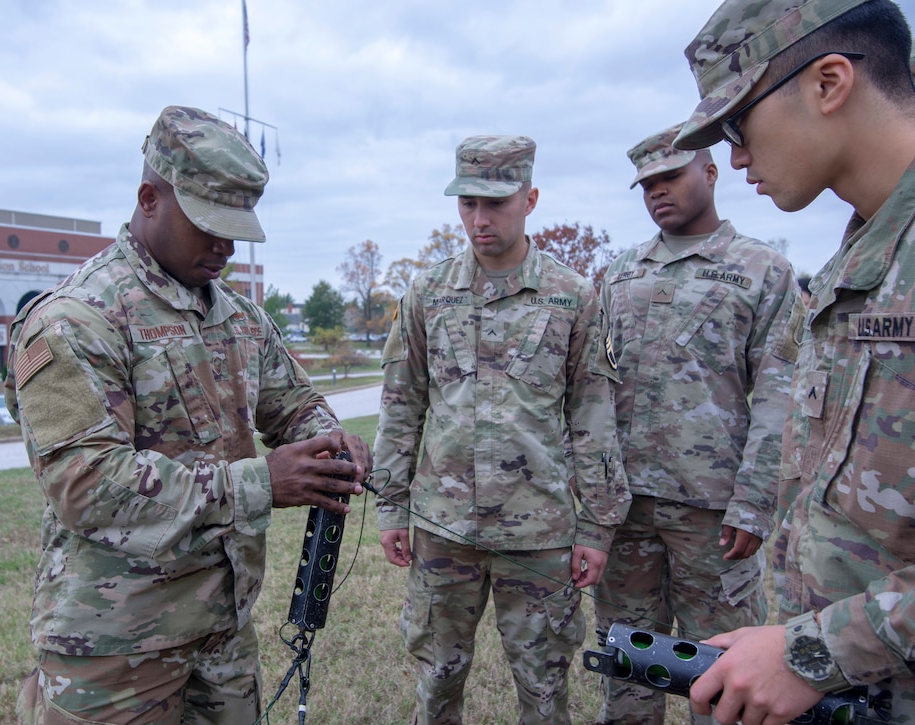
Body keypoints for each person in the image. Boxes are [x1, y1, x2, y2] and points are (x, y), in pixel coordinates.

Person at [5, 106, 371, 725]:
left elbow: (295, 403)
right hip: (117, 646)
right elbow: (87, 483)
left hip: (224, 629)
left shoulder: (237, 316)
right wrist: (262, 480)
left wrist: (328, 443)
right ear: (150, 198)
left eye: (237, 227)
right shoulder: (78, 319)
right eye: (209, 225)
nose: (226, 246)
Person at [672, 1, 915, 722]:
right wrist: (790, 641)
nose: (735, 157)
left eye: (738, 126)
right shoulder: (855, 261)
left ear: (830, 82)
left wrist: (814, 649)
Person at [373, 134, 629, 725]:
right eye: (468, 204)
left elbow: (592, 417)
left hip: (538, 532)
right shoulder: (427, 293)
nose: (479, 219)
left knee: (543, 689)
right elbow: (402, 405)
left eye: (496, 203)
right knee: (437, 681)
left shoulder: (572, 297)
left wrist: (597, 524)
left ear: (530, 198)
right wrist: (391, 507)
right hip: (443, 527)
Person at [593, 122, 801, 725]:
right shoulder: (621, 272)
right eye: (646, 184)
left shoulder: (764, 270)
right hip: (625, 507)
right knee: (626, 657)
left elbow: (778, 392)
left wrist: (756, 500)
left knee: (721, 670)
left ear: (709, 174)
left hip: (715, 514)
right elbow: (593, 390)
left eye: (670, 177)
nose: (657, 191)